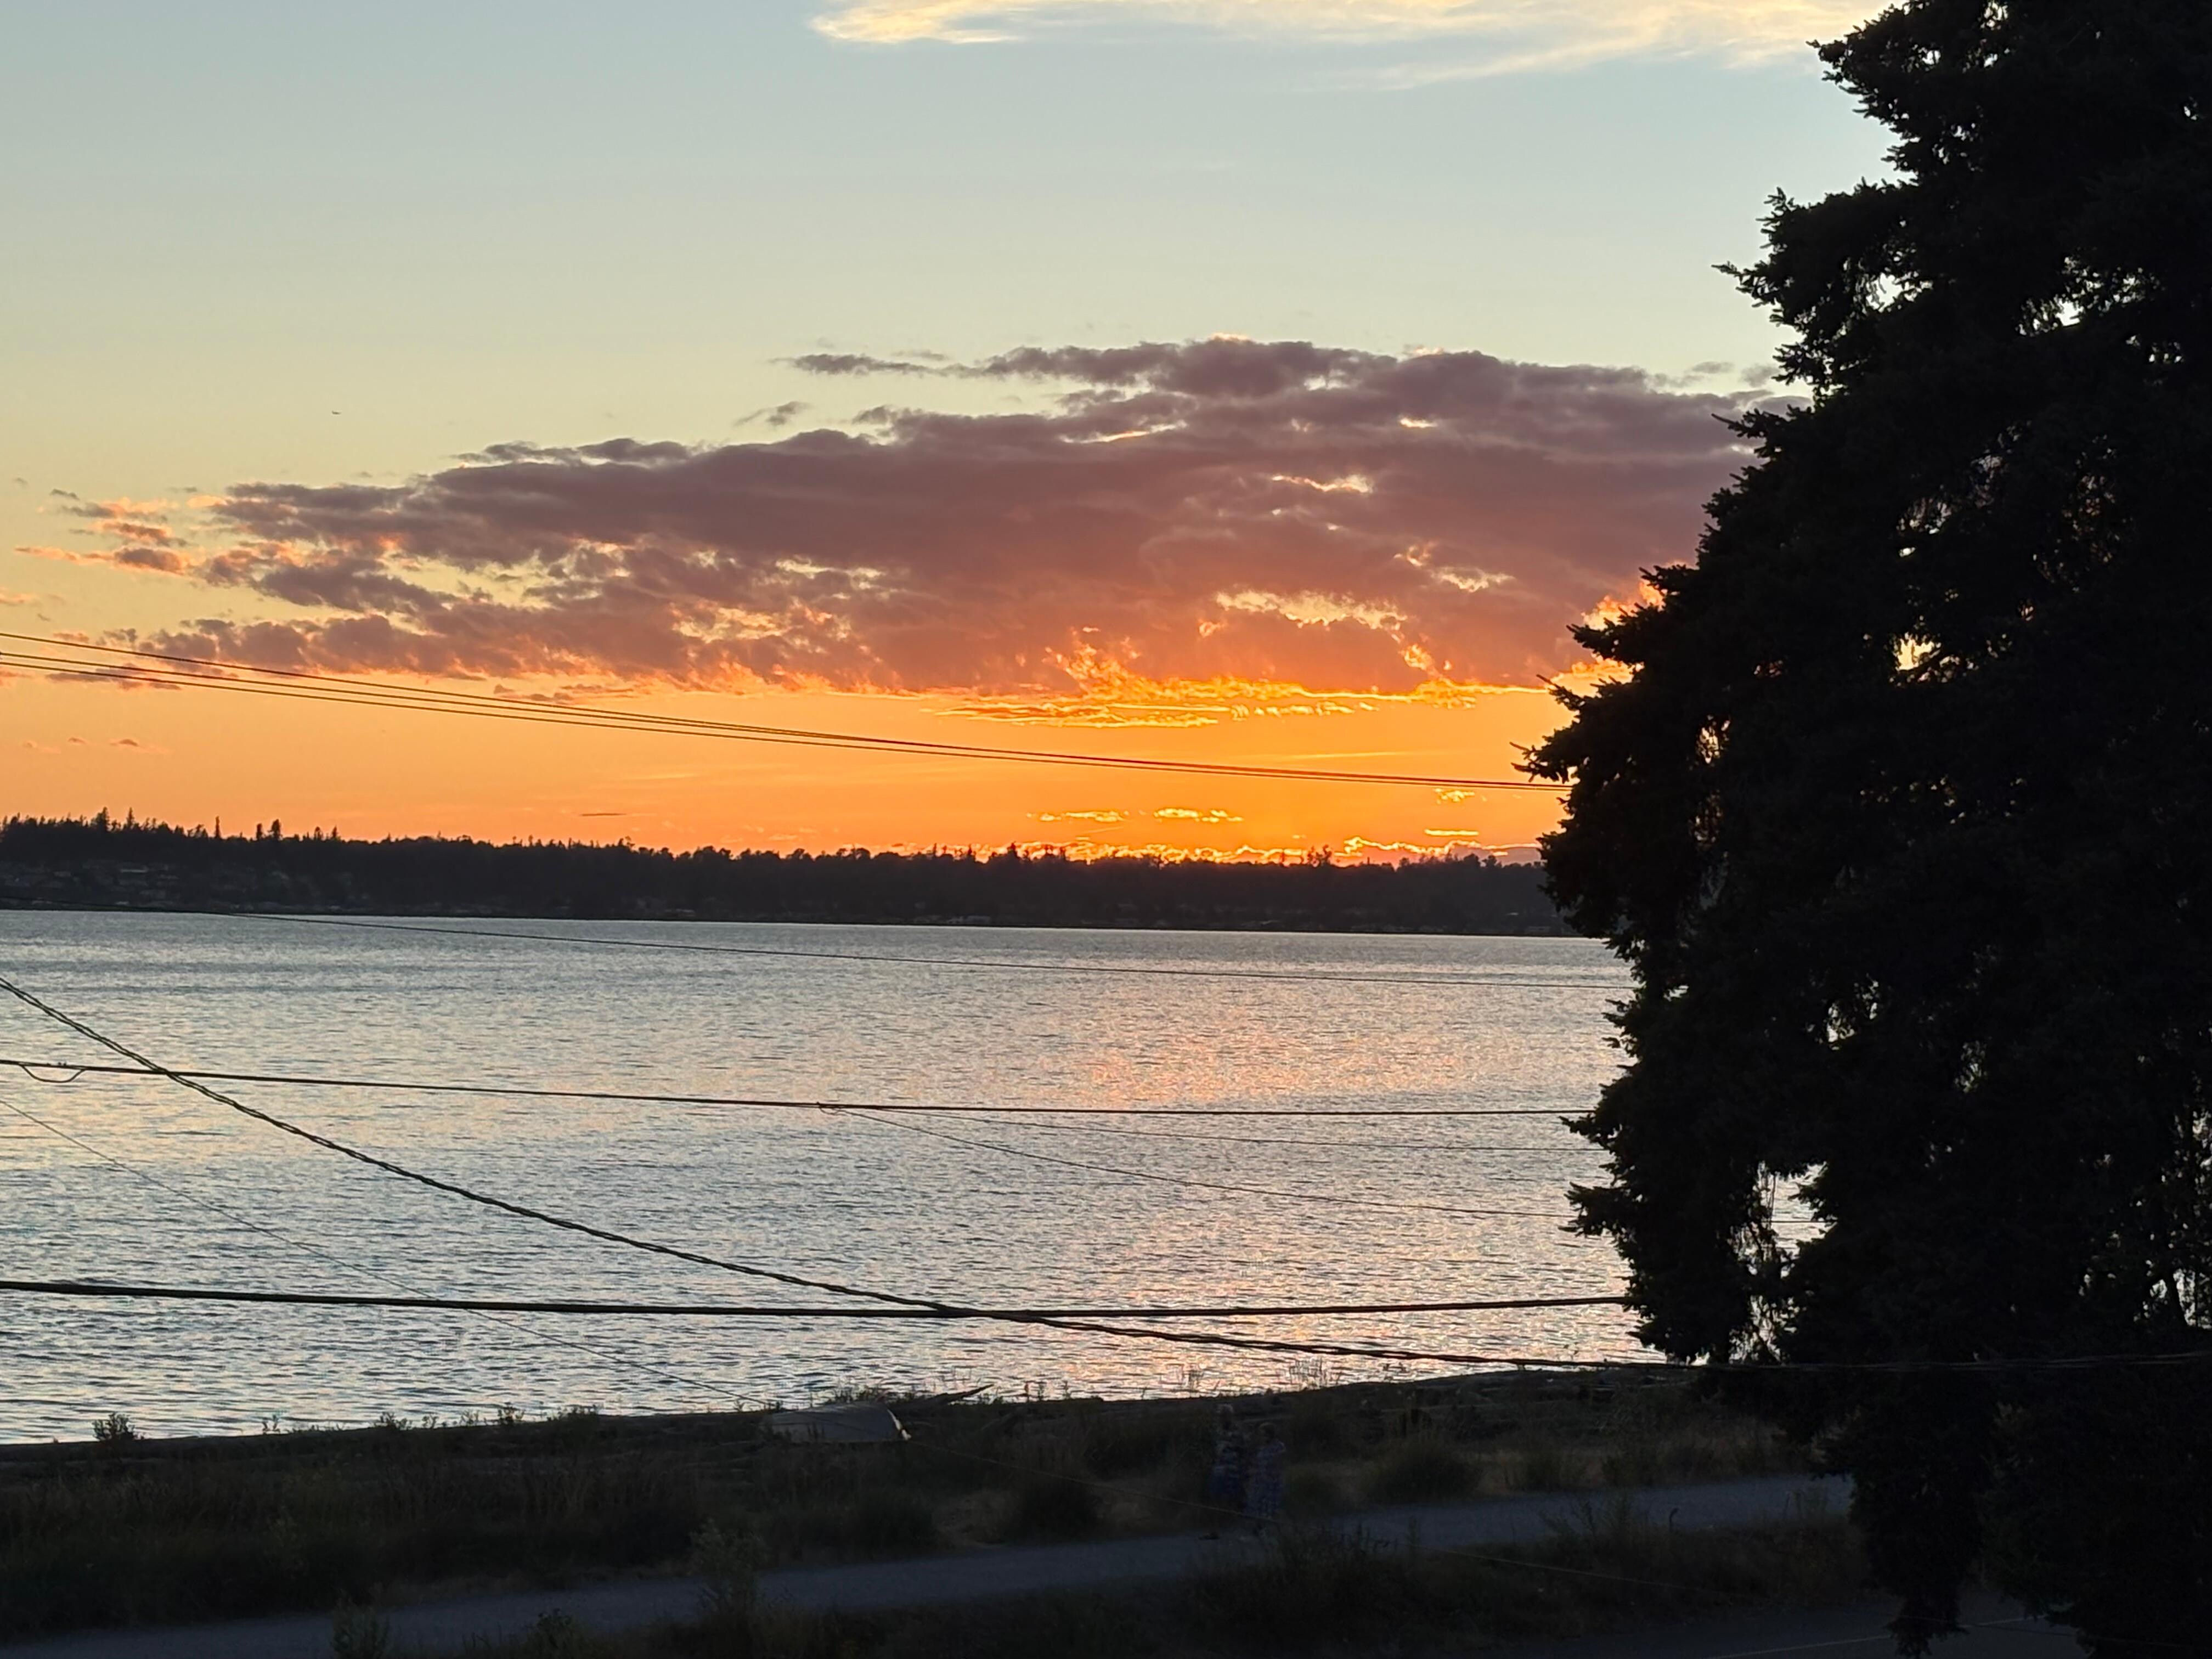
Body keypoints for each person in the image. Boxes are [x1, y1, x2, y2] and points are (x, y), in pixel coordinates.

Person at [1201, 1406, 1248, 1536]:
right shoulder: (1217, 1431)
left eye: (1223, 1416)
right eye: (1220, 1416)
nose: (1221, 1419)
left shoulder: (1237, 1431)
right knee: (1216, 1498)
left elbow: (1243, 1449)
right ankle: (1216, 1528)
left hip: (1233, 1468)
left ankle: (1234, 1527)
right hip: (1219, 1468)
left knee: (1234, 1498)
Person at [1244, 1424, 1286, 1532]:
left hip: (1273, 1480)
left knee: (1273, 1506)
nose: (1262, 1437)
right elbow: (1257, 1462)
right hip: (1260, 1480)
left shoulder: (1279, 1446)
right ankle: (1258, 1527)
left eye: (1263, 1434)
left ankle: (1279, 1531)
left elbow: (1280, 1462)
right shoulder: (1262, 1448)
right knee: (1258, 1503)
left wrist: (1273, 1472)